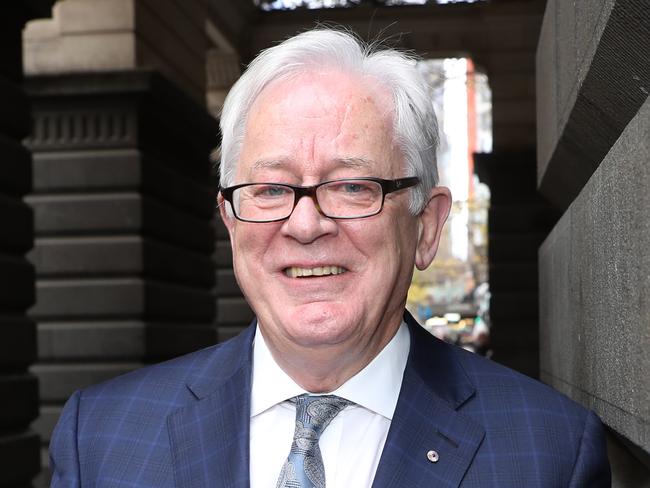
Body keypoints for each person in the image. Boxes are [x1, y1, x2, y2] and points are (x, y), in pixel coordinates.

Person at [49, 28, 610, 487]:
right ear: (230, 220)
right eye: (270, 189)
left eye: (352, 187)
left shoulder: (550, 455)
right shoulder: (99, 440)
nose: (306, 224)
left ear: (426, 225)